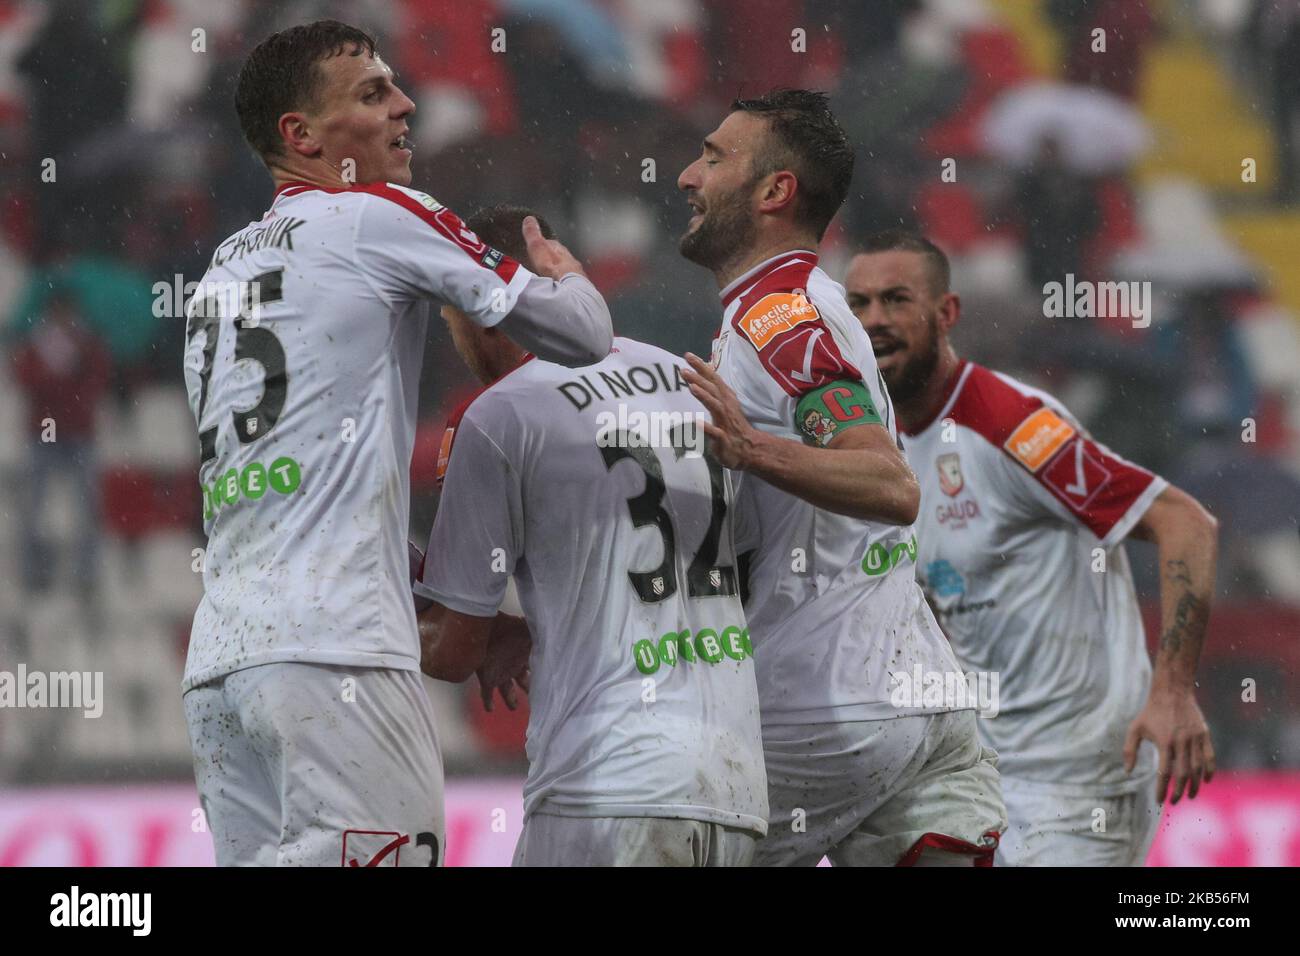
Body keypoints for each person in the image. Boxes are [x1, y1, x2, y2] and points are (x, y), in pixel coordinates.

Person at [181, 20, 613, 867]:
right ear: (300, 137)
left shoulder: (220, 273)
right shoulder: (376, 211)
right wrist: (564, 271)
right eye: (373, 93)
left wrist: (449, 600)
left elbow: (301, 487)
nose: (405, 104)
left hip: (225, 663)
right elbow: (581, 335)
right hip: (336, 648)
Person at [675, 89, 1006, 866]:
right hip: (923, 695)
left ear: (774, 191)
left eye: (715, 156)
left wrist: (752, 450)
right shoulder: (811, 303)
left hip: (822, 708)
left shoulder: (777, 319)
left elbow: (889, 484)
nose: (688, 175)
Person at [844, 231, 1218, 865]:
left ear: (947, 314)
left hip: (1082, 782)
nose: (874, 320)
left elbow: (1185, 523)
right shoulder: (878, 448)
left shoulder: (1011, 424)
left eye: (896, 299)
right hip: (977, 776)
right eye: (858, 304)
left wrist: (1174, 692)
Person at [415, 205, 767, 866]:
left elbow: (452, 650)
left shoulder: (498, 417)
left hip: (605, 785)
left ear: (474, 305)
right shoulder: (691, 384)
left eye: (448, 315)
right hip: (736, 787)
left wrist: (350, 617)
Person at [11, 294, 111, 596]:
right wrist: (60, 380)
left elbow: (96, 381)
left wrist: (58, 381)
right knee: (34, 507)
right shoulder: (36, 344)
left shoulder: (86, 344)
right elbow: (25, 378)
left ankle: (86, 575)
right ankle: (34, 574)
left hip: (77, 433)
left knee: (88, 508)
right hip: (46, 433)